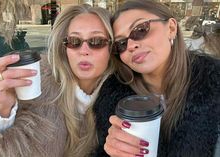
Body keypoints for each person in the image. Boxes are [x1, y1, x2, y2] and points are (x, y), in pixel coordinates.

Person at [0, 4, 115, 157]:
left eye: (96, 41)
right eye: (74, 41)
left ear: (112, 48)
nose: (84, 51)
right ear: (64, 48)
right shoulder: (35, 93)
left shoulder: (125, 98)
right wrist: (4, 114)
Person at [92, 0, 220, 157]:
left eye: (140, 30)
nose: (131, 45)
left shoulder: (214, 84)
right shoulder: (112, 100)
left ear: (171, 28)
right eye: (121, 43)